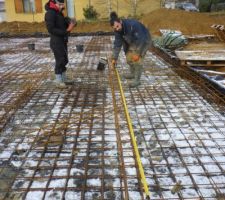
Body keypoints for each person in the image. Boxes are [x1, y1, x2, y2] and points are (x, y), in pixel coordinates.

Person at [110, 12, 152, 88]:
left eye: (117, 26)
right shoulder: (117, 31)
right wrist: (114, 58)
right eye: (115, 28)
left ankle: (137, 80)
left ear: (120, 22)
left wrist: (138, 53)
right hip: (133, 41)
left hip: (144, 40)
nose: (117, 29)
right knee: (129, 58)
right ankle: (133, 74)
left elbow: (141, 39)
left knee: (137, 60)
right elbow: (117, 44)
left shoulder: (133, 25)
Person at [45, 0, 76, 88]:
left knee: (64, 59)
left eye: (63, 4)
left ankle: (63, 79)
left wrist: (71, 23)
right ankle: (58, 81)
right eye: (60, 4)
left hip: (63, 40)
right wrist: (66, 31)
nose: (62, 6)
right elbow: (51, 29)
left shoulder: (59, 13)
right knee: (60, 60)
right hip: (56, 41)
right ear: (54, 3)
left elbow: (63, 25)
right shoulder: (50, 13)